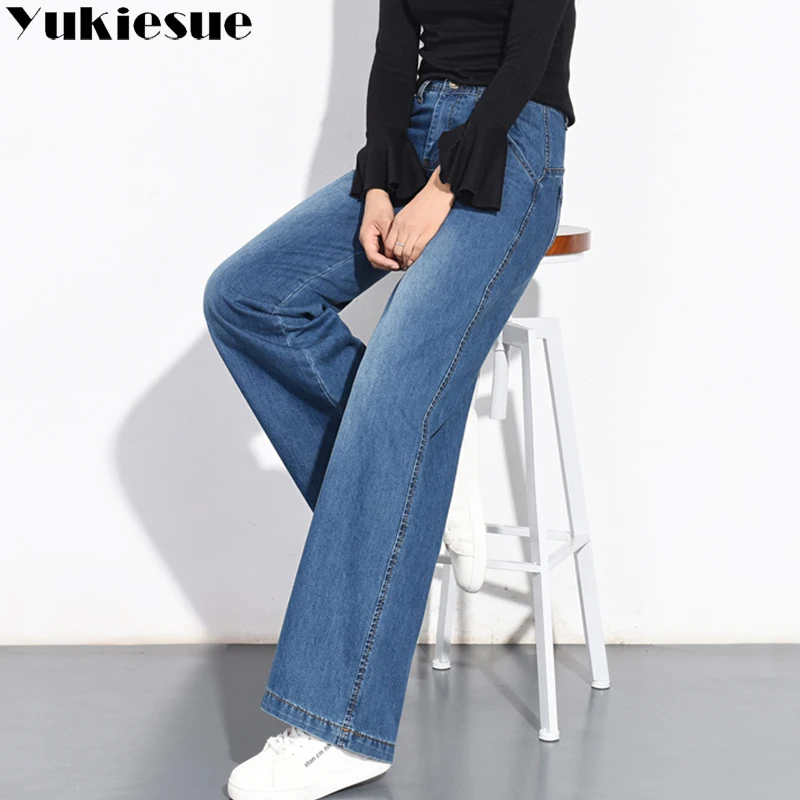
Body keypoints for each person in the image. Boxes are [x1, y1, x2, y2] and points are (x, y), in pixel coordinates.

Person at [203, 0, 576, 797]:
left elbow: (529, 53)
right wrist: (379, 182)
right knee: (247, 296)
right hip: (417, 133)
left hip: (512, 140)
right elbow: (394, 53)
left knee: (390, 407)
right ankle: (432, 474)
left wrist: (443, 187)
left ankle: (338, 727)